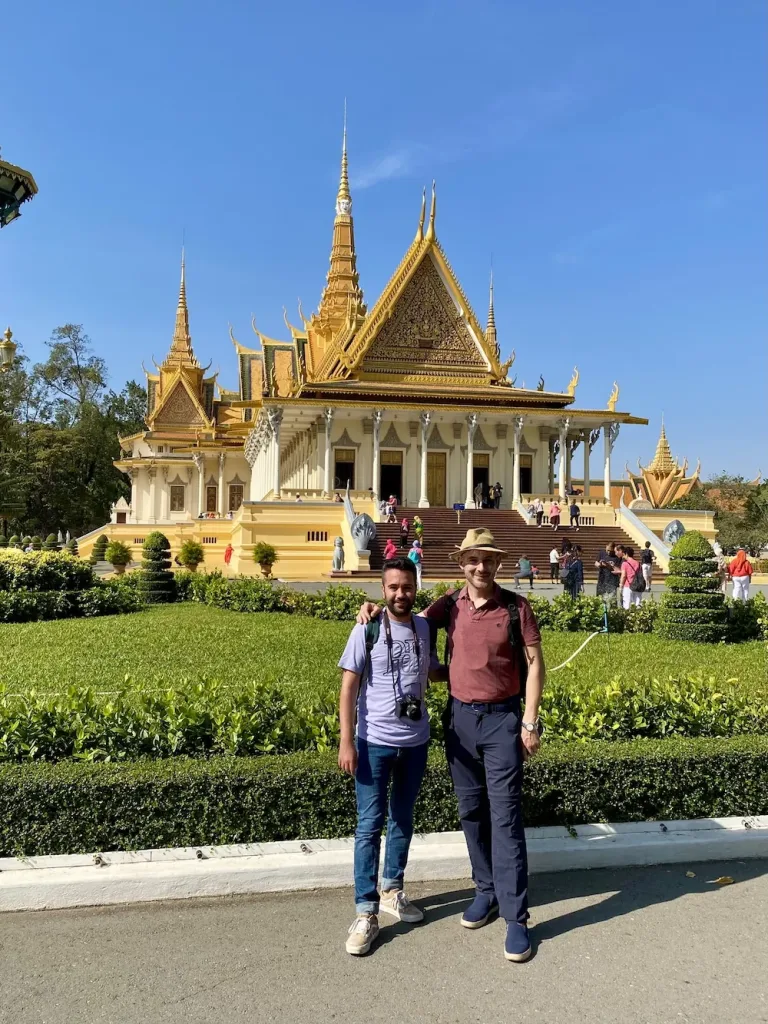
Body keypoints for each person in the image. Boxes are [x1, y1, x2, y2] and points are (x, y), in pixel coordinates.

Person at [356, 529, 545, 963]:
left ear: (498, 563)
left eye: (489, 560)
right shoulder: (449, 605)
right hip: (460, 720)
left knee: (506, 816)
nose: (481, 567)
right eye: (473, 560)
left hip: (502, 719)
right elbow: (408, 623)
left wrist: (530, 722)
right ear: (462, 564)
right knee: (471, 810)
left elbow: (536, 667)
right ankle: (486, 891)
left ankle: (517, 919)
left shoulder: (516, 607)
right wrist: (372, 609)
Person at [338, 556, 441, 955]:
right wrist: (347, 741)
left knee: (403, 818)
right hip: (374, 741)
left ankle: (392, 889)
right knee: (369, 824)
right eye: (394, 587)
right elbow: (349, 687)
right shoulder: (366, 629)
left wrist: (480, 670)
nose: (401, 594)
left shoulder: (423, 627)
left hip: (415, 740)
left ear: (416, 588)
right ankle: (365, 910)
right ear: (382, 590)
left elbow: (431, 672)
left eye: (408, 587)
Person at [616, 544, 642, 609]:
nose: (623, 556)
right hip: (637, 586)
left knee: (627, 604)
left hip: (628, 586)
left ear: (626, 554)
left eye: (624, 554)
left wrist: (621, 586)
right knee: (637, 604)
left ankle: (627, 617)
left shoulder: (625, 563)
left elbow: (624, 575)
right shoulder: (638, 563)